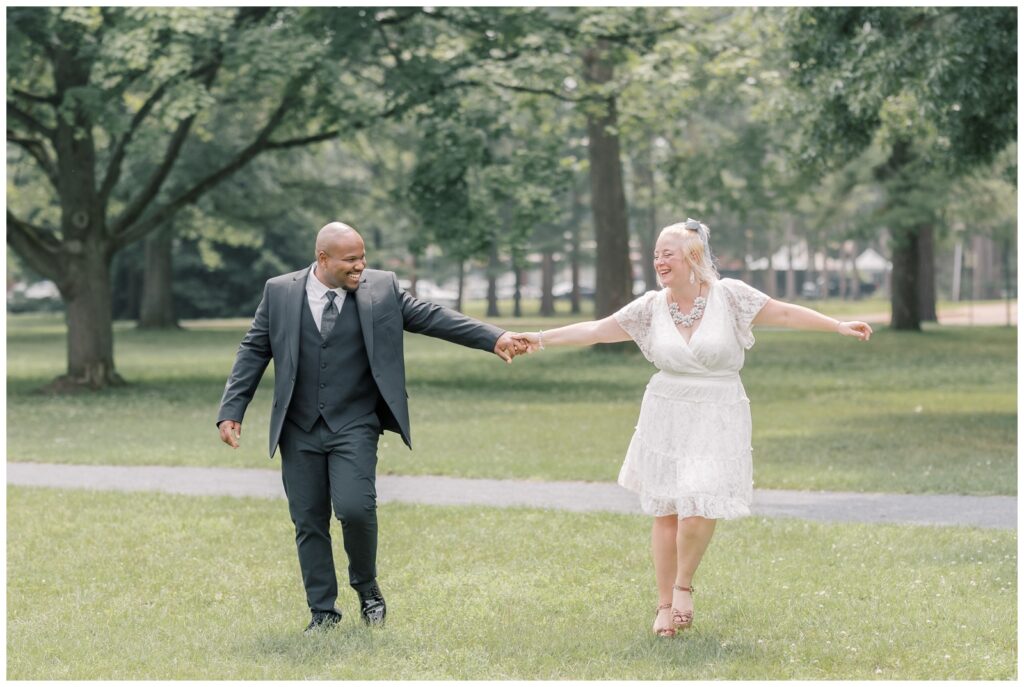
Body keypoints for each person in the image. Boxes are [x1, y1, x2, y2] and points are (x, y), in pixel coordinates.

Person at [514, 218, 872, 638]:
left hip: (718, 411)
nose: (658, 261)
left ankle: (684, 586)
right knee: (665, 512)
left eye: (667, 253)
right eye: (655, 254)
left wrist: (837, 325)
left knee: (700, 507)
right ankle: (664, 604)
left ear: (693, 257)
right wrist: (537, 338)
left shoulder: (731, 296)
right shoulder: (650, 306)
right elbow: (595, 329)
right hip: (666, 410)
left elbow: (786, 313)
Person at [216, 221, 525, 633]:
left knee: (355, 509)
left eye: (363, 257)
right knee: (308, 520)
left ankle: (367, 587)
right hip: (299, 425)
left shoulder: (381, 288)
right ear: (323, 258)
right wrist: (232, 409)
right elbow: (255, 348)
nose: (361, 266)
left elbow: (431, 317)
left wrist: (493, 336)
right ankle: (322, 612)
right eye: (351, 259)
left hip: (354, 421)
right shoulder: (280, 291)